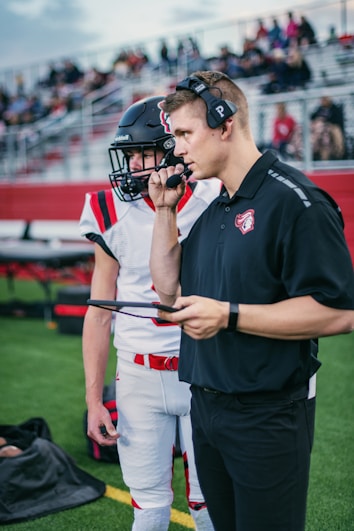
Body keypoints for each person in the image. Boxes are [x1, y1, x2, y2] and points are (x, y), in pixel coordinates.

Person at [148, 70, 354, 531]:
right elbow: (167, 292)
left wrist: (228, 315)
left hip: (267, 415)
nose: (176, 148)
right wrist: (164, 210)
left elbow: (340, 312)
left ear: (225, 124)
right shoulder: (214, 207)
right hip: (207, 408)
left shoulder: (296, 201)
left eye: (184, 133)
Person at [79, 95, 219, 531]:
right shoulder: (109, 209)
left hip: (205, 370)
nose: (134, 165)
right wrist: (92, 398)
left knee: (208, 504)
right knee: (150, 506)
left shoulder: (214, 196)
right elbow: (100, 311)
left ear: (174, 150)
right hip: (138, 374)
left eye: (144, 153)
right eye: (129, 155)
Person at [310, 95, 346, 160]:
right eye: (322, 99)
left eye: (325, 99)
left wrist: (325, 123)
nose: (323, 101)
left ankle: (339, 151)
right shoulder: (319, 109)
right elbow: (312, 118)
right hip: (319, 133)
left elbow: (337, 121)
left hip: (329, 130)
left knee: (330, 134)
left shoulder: (335, 109)